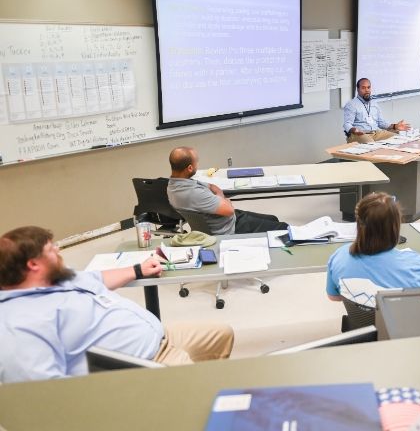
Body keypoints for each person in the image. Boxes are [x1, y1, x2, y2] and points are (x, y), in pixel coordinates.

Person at [0, 226, 234, 383]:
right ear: (33, 264)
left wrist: (137, 270)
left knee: (221, 334)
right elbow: (43, 395)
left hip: (160, 337)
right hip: (140, 365)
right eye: (51, 249)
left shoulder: (58, 278)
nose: (58, 250)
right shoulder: (18, 327)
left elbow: (99, 279)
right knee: (202, 387)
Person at [326, 192, 420, 323]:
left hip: (365, 333)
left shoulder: (339, 256)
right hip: (410, 338)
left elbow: (333, 296)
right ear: (395, 227)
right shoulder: (417, 265)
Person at [167, 147, 288, 235]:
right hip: (229, 227)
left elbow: (211, 186)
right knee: (283, 228)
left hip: (222, 219)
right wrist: (223, 198)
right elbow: (229, 209)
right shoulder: (193, 194)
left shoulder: (173, 185)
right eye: (196, 162)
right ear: (190, 168)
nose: (198, 164)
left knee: (272, 219)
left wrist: (220, 197)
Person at [343, 78, 410, 143]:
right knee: (371, 144)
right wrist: (355, 130)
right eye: (363, 88)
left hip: (376, 133)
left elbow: (381, 123)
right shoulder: (351, 105)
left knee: (397, 138)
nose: (367, 90)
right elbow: (347, 124)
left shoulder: (374, 103)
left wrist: (395, 126)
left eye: (368, 87)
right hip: (360, 134)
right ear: (358, 89)